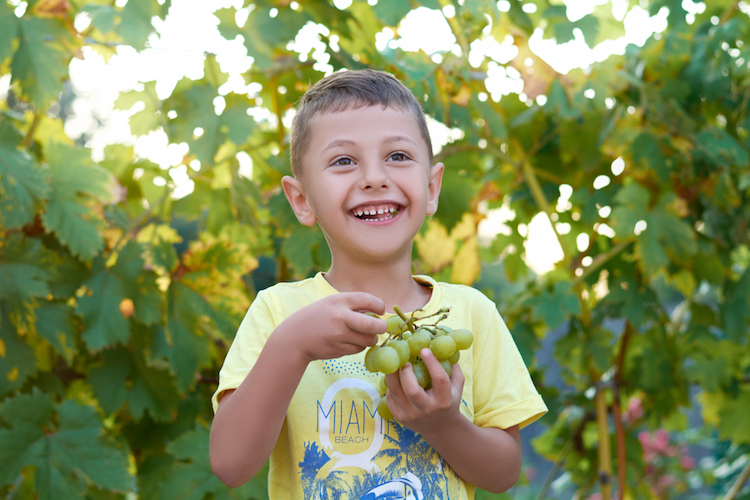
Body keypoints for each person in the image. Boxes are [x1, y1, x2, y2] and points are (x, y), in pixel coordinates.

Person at [209, 69, 547, 500]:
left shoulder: (474, 313)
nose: (374, 177)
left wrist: (441, 424)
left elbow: (502, 474)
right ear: (302, 200)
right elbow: (230, 465)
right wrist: (292, 346)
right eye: (343, 161)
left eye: (398, 156)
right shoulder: (279, 314)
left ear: (431, 187)